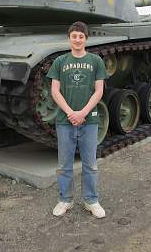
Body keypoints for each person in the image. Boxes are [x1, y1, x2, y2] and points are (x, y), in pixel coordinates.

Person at [46, 21, 107, 218]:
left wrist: (82, 113)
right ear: (69, 38)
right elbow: (55, 90)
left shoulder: (95, 61)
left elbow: (99, 91)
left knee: (90, 163)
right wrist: (71, 112)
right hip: (65, 120)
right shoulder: (60, 62)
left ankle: (91, 200)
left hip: (89, 120)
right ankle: (65, 199)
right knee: (65, 164)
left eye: (81, 36)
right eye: (74, 36)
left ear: (86, 39)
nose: (78, 39)